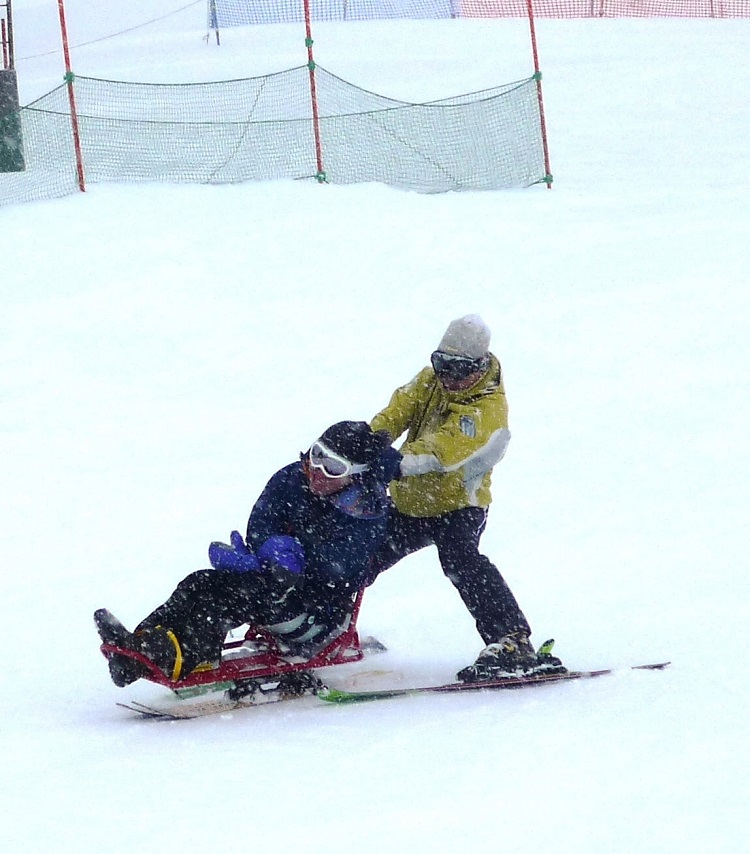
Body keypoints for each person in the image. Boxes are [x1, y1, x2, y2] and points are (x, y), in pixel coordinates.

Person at [95, 421, 401, 687]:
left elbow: (342, 570)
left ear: (356, 476)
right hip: (273, 585)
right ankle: (138, 647)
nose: (318, 471)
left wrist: (296, 561)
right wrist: (267, 549)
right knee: (200, 583)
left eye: (334, 468)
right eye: (317, 455)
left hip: (318, 615)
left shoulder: (365, 512)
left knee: (230, 599)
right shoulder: (293, 478)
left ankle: (176, 656)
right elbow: (262, 519)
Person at [369, 314, 565, 681]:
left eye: (459, 370)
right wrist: (372, 439)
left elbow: (445, 450)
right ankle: (328, 630)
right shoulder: (433, 380)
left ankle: (510, 639)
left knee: (461, 561)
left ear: (480, 366)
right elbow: (401, 406)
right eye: (442, 365)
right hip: (410, 502)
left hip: (458, 506)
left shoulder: (487, 409)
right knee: (359, 555)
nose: (449, 377)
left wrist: (396, 464)